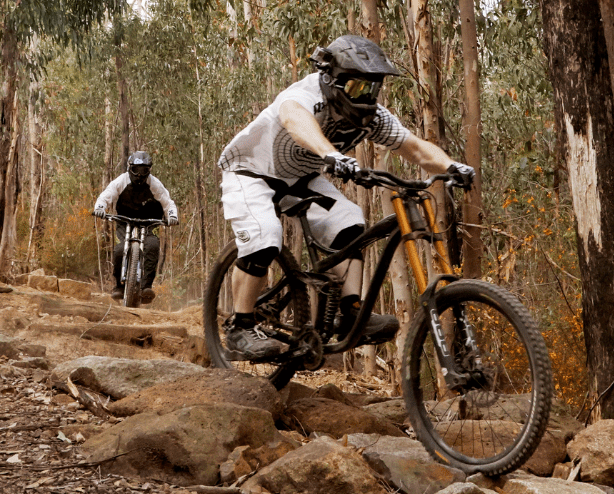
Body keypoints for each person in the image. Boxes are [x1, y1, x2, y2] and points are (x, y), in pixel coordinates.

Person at [216, 33, 475, 361]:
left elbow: (416, 147)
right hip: (249, 171)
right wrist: (330, 154)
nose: (366, 96)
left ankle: (350, 313)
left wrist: (452, 166)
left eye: (372, 87)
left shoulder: (373, 117)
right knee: (266, 235)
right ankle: (240, 327)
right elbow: (295, 119)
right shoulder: (305, 94)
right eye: (356, 87)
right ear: (332, 80)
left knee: (350, 220)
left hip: (300, 178)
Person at [93, 151, 178, 302]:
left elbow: (168, 202)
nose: (140, 175)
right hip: (124, 219)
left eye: (144, 170)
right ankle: (118, 286)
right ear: (130, 168)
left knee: (152, 246)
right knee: (119, 250)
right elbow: (107, 195)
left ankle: (146, 287)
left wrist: (172, 216)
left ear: (149, 171)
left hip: (149, 220)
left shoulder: (155, 184)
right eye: (136, 170)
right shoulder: (121, 181)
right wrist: (100, 207)